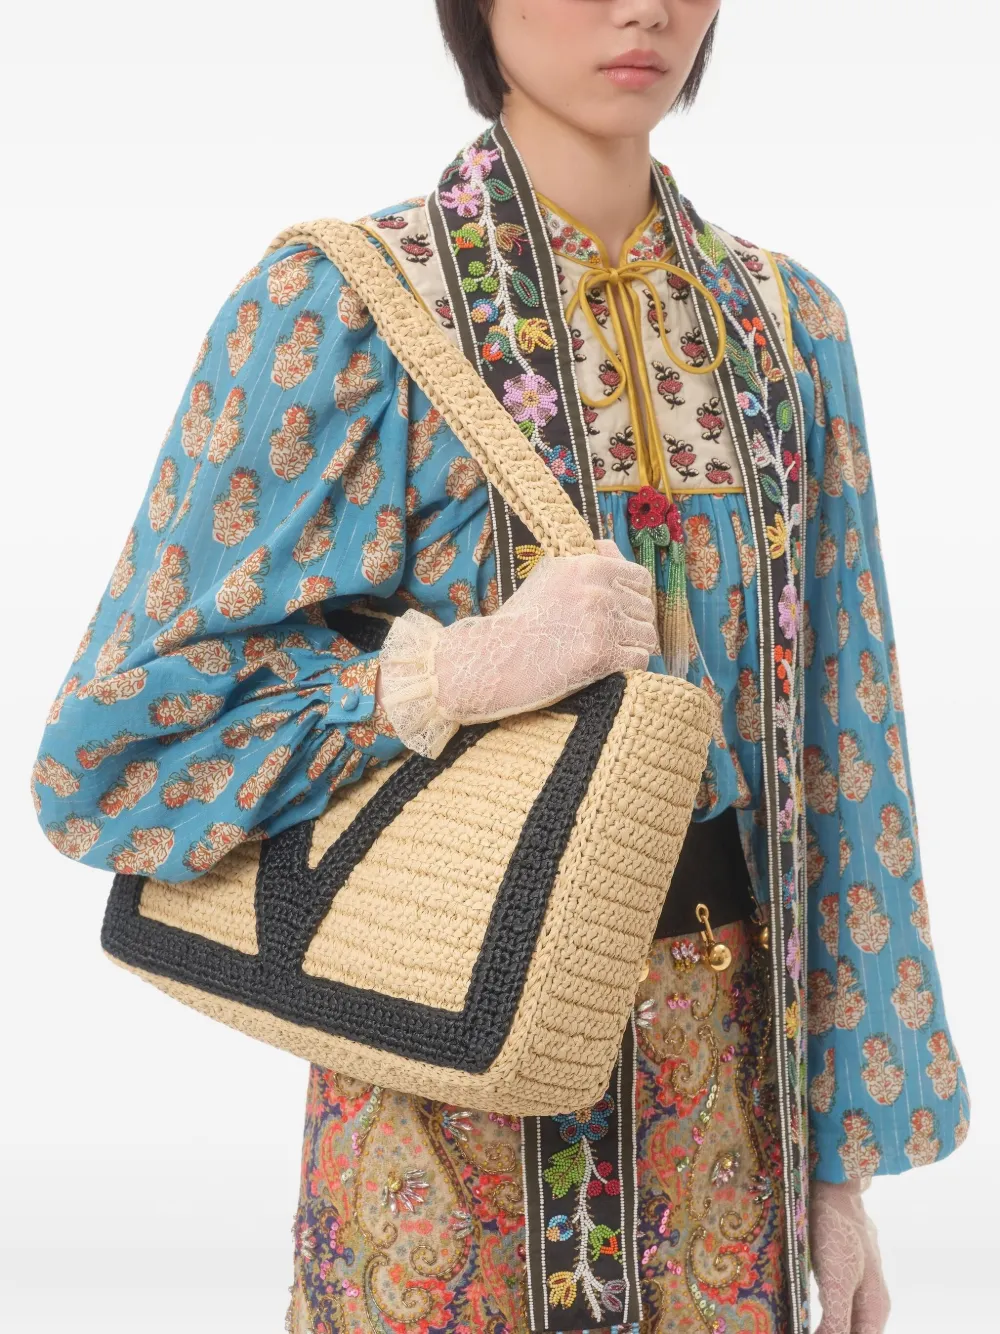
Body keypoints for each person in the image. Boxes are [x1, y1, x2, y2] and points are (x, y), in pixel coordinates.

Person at [29, 3, 969, 1332]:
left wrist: (840, 1172)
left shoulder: (786, 330)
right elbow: (114, 757)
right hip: (437, 1108)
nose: (642, 8)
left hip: (730, 1127)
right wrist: (448, 676)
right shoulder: (346, 309)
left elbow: (846, 748)